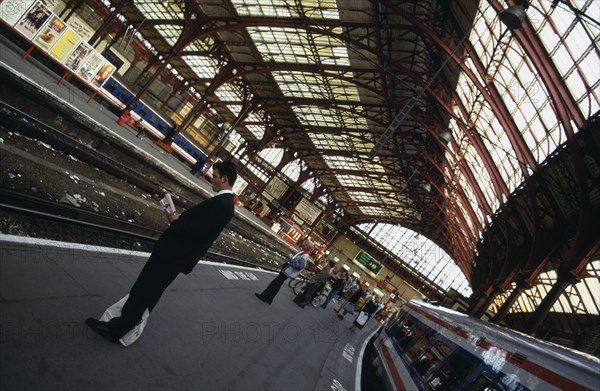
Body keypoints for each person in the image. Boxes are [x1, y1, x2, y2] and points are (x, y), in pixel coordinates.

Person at [86, 161, 238, 343]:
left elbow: (197, 232)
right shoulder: (226, 204)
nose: (211, 180)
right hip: (176, 256)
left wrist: (174, 220)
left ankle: (116, 330)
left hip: (172, 255)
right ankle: (124, 327)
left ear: (224, 178)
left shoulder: (222, 204)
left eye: (214, 176)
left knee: (143, 290)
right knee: (149, 292)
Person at [255, 240, 314, 304]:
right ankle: (269, 299)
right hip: (287, 271)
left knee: (274, 284)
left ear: (308, 247)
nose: (303, 244)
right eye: (304, 243)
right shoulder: (303, 253)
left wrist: (291, 259)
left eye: (305, 244)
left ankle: (264, 296)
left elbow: (299, 267)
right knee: (277, 285)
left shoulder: (304, 256)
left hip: (287, 272)